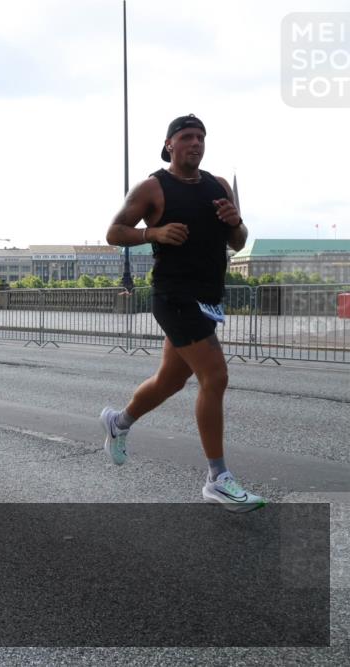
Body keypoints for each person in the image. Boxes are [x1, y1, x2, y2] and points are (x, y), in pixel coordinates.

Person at [101, 114, 264, 512]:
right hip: (173, 296)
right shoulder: (153, 187)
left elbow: (238, 242)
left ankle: (118, 422)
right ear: (170, 144)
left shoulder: (218, 186)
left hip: (209, 298)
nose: (196, 143)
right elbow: (114, 231)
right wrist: (151, 233)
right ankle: (217, 478)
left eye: (201, 137)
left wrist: (236, 222)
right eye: (187, 137)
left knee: (170, 381)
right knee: (216, 375)